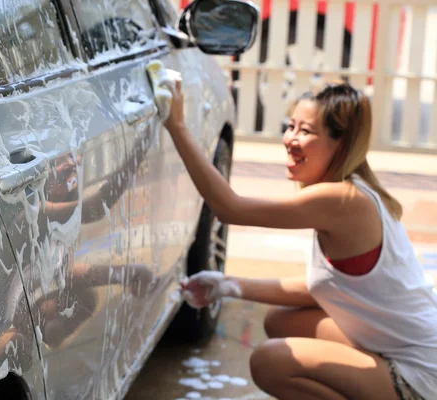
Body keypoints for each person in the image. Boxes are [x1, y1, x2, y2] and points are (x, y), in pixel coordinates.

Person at [165, 79, 437, 400]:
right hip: (407, 353)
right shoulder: (356, 191)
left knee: (271, 361)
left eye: (305, 132)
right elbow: (323, 287)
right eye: (290, 126)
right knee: (282, 322)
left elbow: (229, 208)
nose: (290, 139)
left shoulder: (341, 200)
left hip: (419, 376)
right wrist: (226, 284)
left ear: (341, 144)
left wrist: (177, 125)